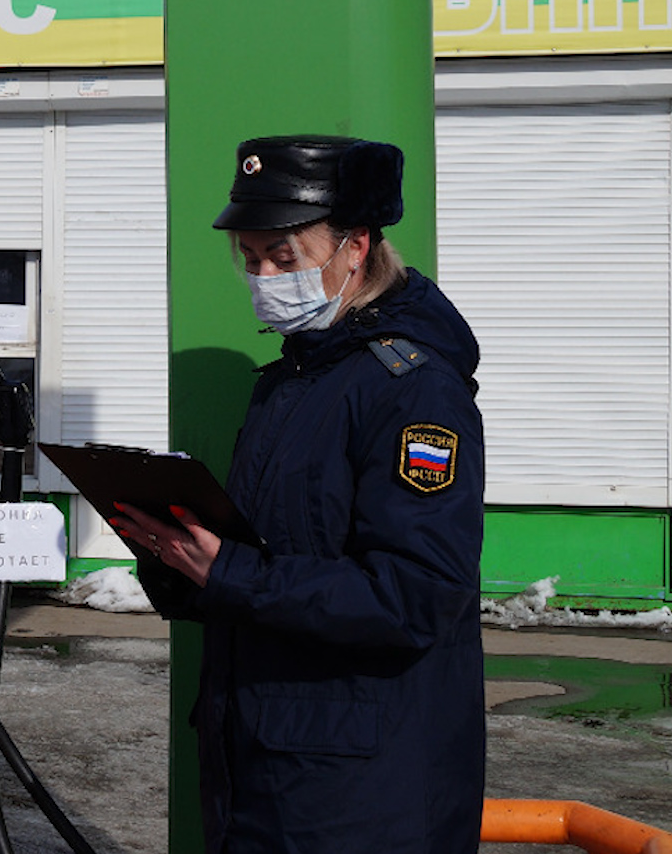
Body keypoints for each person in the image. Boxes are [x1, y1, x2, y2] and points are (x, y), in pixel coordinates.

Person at [111, 135, 485, 853]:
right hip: (265, 770)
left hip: (360, 794)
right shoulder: (291, 381)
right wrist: (176, 557)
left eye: (285, 258)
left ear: (356, 247)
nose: (264, 276)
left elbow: (414, 595)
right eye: (252, 259)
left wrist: (232, 572)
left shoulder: (414, 392)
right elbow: (270, 556)